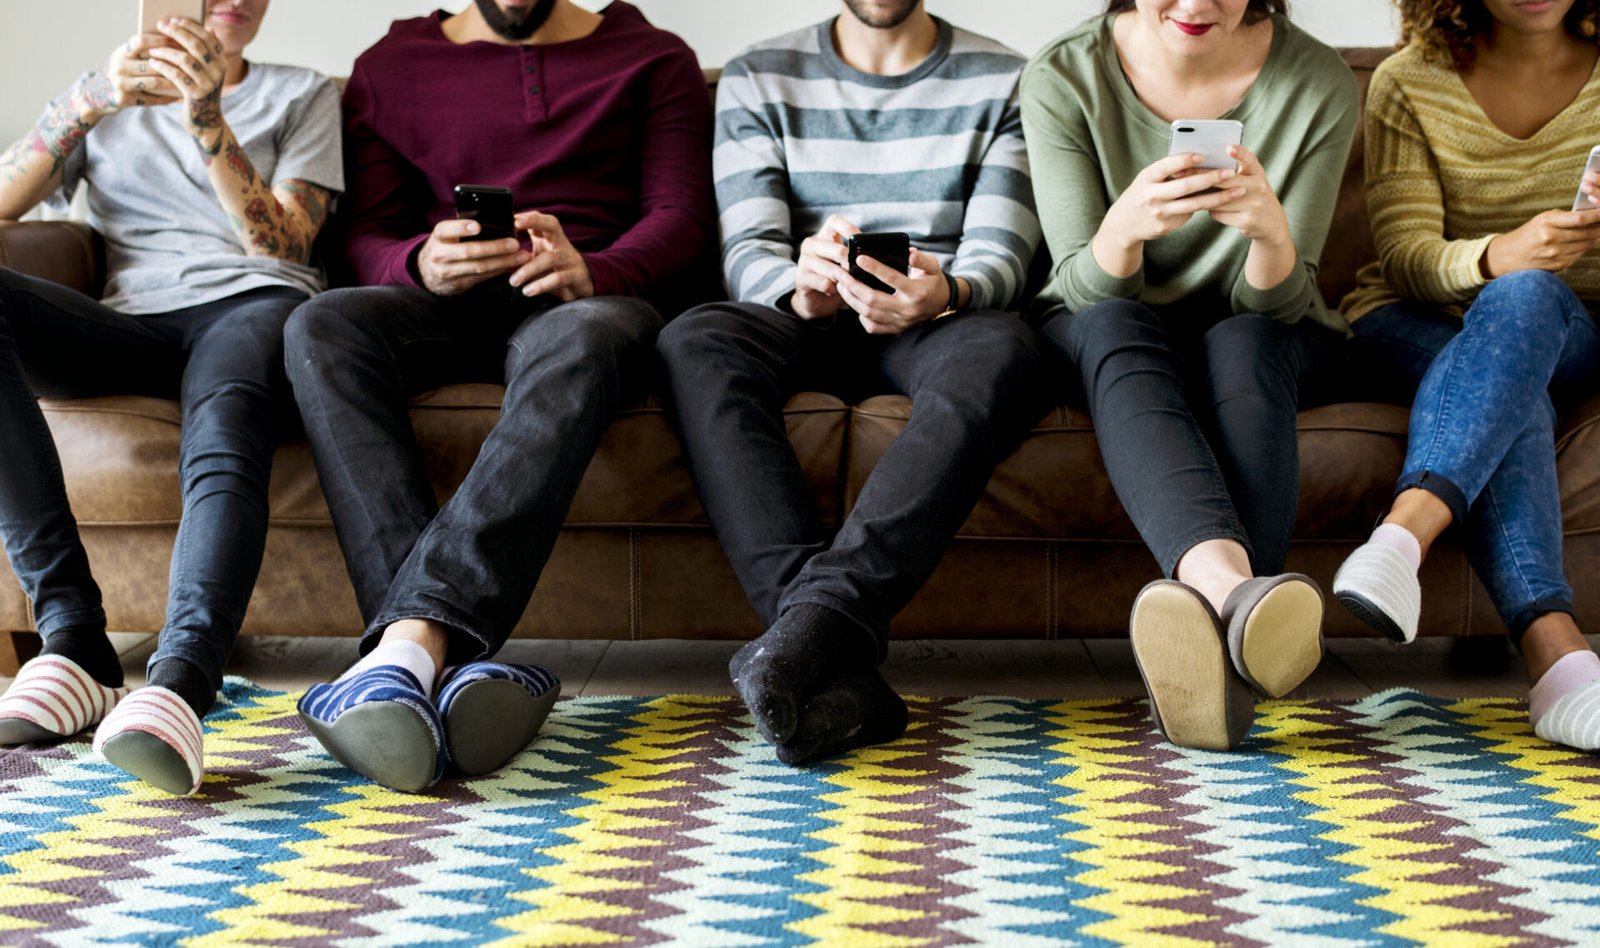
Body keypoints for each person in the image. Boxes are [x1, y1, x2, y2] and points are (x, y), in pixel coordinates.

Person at [285, 0, 715, 792]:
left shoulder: (653, 57)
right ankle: (439, 667)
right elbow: (362, 236)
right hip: (442, 301)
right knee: (321, 325)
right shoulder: (392, 64)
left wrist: (598, 269)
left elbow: (682, 219)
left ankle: (403, 656)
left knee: (583, 336)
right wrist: (417, 261)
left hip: (582, 298)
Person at [658, 0, 1044, 765]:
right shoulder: (759, 74)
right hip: (805, 311)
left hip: (935, 314)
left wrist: (950, 291)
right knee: (693, 338)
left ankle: (809, 633)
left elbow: (1003, 252)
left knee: (1007, 347)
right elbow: (749, 249)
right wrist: (798, 286)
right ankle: (822, 650)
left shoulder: (1005, 78)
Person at [0, 0, 340, 795]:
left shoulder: (302, 92)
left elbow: (284, 242)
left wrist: (206, 115)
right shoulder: (100, 96)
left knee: (225, 421)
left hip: (254, 304)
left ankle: (181, 680)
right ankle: (74, 640)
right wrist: (92, 103)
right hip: (130, 324)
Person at [1020, 0, 1357, 749]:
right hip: (1113, 318)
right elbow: (1080, 288)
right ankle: (1236, 598)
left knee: (1243, 340)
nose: (1199, 4)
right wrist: (1125, 228)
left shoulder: (1317, 82)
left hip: (1263, 328)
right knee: (1112, 323)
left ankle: (1221, 653)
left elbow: (1281, 300)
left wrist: (1270, 234)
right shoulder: (1064, 76)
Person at [1334, 0, 1600, 752]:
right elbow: (1406, 253)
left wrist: (1520, 279)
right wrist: (1493, 257)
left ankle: (1399, 541)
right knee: (1514, 379)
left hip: (1567, 321)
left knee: (1526, 306)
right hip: (1412, 320)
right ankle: (1557, 656)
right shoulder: (1408, 82)